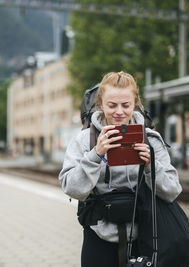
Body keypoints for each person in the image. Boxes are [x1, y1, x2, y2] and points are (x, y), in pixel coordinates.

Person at [59, 71, 182, 267]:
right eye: (112, 105)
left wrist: (151, 165)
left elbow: (172, 191)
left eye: (126, 105)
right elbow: (72, 188)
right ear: (100, 104)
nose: (119, 112)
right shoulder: (84, 140)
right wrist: (96, 154)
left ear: (135, 104)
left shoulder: (151, 139)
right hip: (98, 237)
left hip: (145, 236)